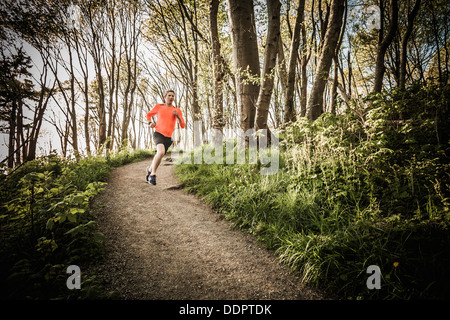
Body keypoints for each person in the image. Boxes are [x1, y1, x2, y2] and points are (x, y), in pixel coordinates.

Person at [146, 89, 185, 185]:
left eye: (173, 96)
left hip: (168, 138)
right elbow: (148, 115)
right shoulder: (159, 107)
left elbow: (183, 125)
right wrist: (150, 122)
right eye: (169, 95)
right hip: (158, 133)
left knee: (160, 155)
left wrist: (178, 116)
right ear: (165, 97)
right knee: (161, 152)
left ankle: (150, 169)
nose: (171, 97)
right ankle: (153, 175)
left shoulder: (177, 110)